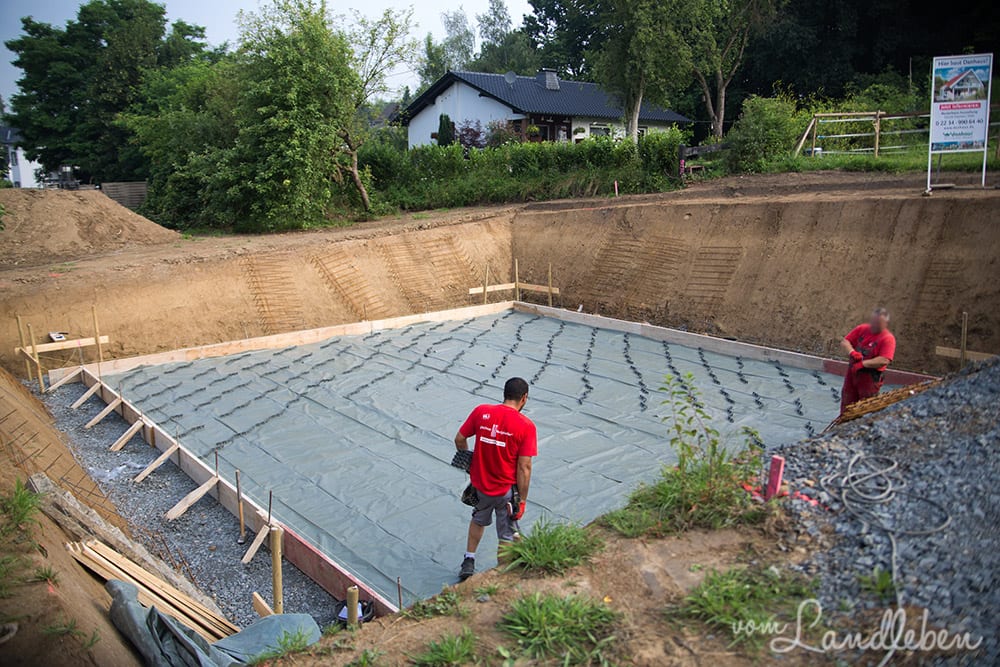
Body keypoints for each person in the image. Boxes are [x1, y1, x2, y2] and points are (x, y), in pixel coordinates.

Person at [453, 377, 537, 581]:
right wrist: (522, 501)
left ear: (505, 393)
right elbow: (524, 467)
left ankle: (469, 559)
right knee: (507, 534)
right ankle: (501, 573)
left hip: (480, 487)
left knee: (478, 520)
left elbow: (460, 439)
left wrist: (469, 462)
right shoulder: (526, 426)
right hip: (505, 492)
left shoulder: (482, 412)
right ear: (524, 398)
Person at [839, 308, 896, 415]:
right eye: (873, 323)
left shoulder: (887, 339)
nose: (874, 326)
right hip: (852, 375)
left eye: (878, 324)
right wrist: (852, 352)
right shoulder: (862, 329)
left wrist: (863, 364)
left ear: (885, 324)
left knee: (866, 407)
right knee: (847, 403)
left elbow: (884, 359)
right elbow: (845, 341)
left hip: (869, 379)